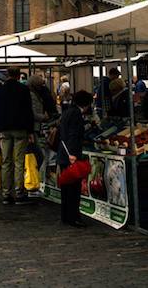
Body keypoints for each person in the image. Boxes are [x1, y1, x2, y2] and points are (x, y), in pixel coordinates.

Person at [0, 67, 35, 205]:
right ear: (18, 75)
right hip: (20, 129)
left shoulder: (0, 91)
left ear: (7, 74)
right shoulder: (23, 90)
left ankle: (6, 193)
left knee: (6, 161)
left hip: (4, 129)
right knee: (19, 162)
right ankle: (19, 192)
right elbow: (29, 111)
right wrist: (30, 131)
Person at [57, 89, 93, 228]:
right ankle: (74, 217)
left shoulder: (67, 112)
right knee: (73, 189)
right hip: (71, 155)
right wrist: (73, 154)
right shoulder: (76, 114)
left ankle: (66, 216)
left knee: (66, 188)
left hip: (64, 154)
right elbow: (72, 135)